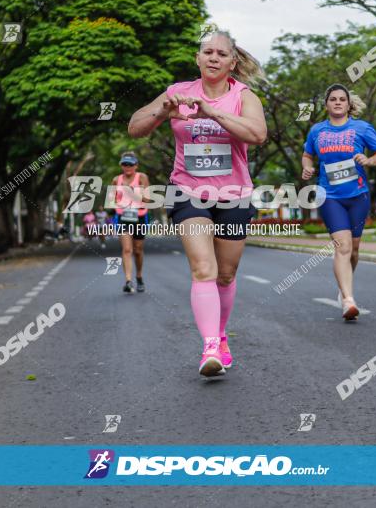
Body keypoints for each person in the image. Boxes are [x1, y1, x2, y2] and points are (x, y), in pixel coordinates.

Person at [129, 29, 267, 377]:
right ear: (198, 58)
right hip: (187, 190)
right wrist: (163, 110)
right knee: (203, 269)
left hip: (234, 193)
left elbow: (258, 135)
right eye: (208, 52)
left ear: (233, 62)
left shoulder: (243, 96)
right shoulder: (178, 92)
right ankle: (209, 347)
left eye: (222, 54)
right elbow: (135, 127)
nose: (214, 58)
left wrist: (211, 113)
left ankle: (221, 336)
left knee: (226, 273)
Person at [301, 83, 376, 321]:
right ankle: (348, 299)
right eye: (333, 99)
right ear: (327, 104)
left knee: (355, 249)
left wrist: (369, 160)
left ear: (349, 104)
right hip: (329, 196)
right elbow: (307, 154)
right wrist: (307, 168)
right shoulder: (317, 131)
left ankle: (344, 286)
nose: (338, 102)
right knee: (343, 246)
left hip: (358, 195)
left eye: (342, 99)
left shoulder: (361, 128)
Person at [113, 151, 150, 293]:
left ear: (136, 165)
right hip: (123, 217)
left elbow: (147, 199)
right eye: (124, 164)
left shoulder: (142, 177)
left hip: (140, 216)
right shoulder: (116, 180)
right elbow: (112, 199)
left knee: (138, 250)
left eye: (130, 164)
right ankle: (128, 280)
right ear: (121, 165)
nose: (127, 167)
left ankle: (139, 276)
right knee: (127, 249)